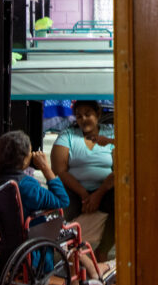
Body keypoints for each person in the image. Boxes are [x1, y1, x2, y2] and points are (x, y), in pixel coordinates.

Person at [50, 100, 116, 260]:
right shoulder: (68, 135)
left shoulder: (111, 135)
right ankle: (62, 252)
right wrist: (84, 194)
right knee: (57, 203)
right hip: (75, 192)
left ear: (98, 114)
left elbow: (121, 169)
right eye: (79, 116)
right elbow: (59, 170)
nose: (83, 119)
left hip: (105, 190)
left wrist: (98, 194)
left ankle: (102, 251)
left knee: (122, 199)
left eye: (88, 114)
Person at [0, 130, 68, 215]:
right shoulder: (26, 186)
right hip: (23, 230)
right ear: (24, 160)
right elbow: (62, 201)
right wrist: (46, 168)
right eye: (30, 152)